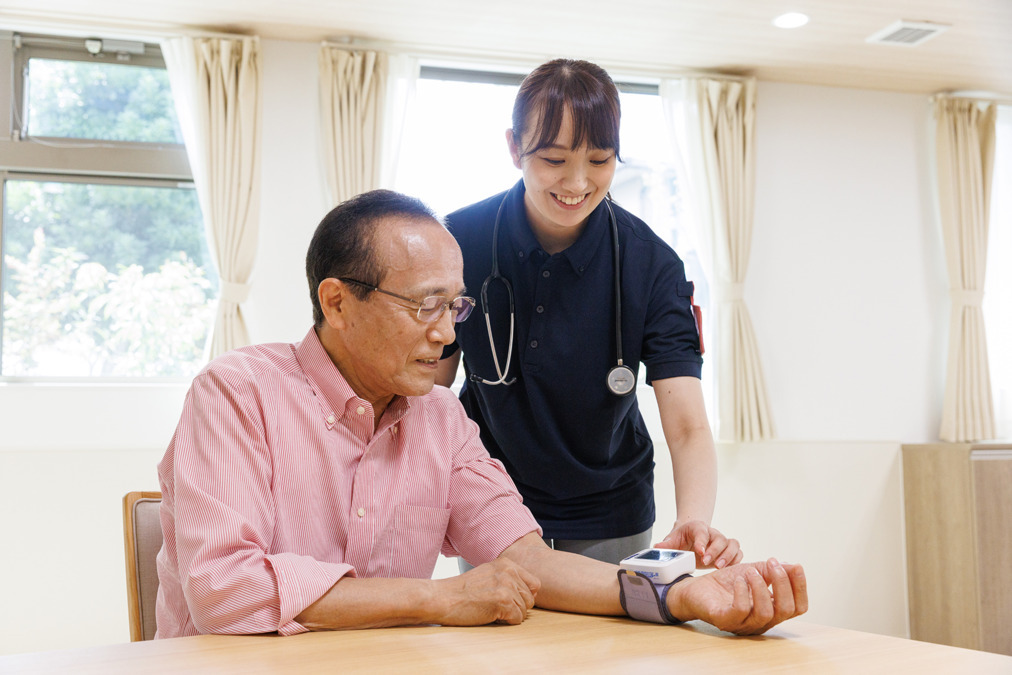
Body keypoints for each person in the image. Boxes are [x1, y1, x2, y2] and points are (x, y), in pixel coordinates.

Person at [154, 189, 806, 638]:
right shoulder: (236, 394)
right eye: (426, 305)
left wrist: (680, 594)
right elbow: (226, 593)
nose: (447, 334)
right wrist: (438, 597)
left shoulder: (440, 418)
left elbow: (529, 560)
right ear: (338, 301)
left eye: (456, 308)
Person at [436, 59, 736, 569]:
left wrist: (695, 520)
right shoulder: (458, 240)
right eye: (554, 159)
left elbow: (687, 425)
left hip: (611, 507)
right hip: (493, 501)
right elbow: (431, 393)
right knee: (501, 643)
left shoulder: (651, 263)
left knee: (604, 647)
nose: (577, 183)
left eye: (600, 160)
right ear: (514, 147)